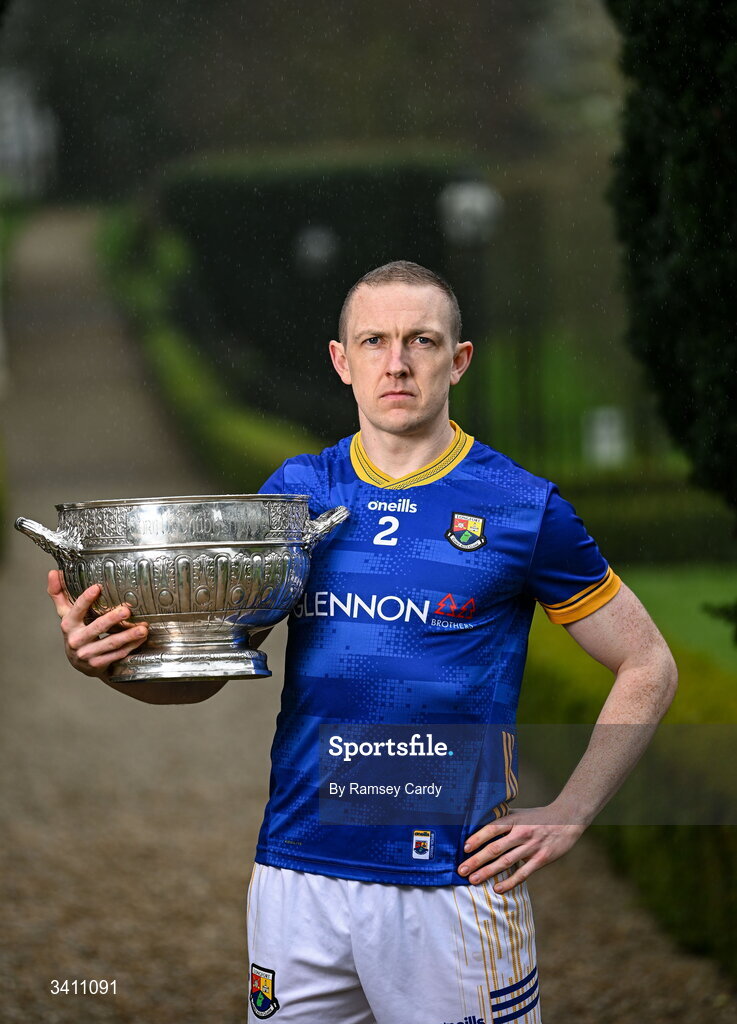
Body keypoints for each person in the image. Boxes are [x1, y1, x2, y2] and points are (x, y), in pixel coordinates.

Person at [48, 261, 677, 1024]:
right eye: (373, 341)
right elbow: (209, 671)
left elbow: (646, 662)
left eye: (421, 340)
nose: (397, 362)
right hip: (297, 876)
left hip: (450, 884)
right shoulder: (297, 498)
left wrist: (572, 809)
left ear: (458, 359)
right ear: (341, 361)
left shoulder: (520, 507)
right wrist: (111, 668)